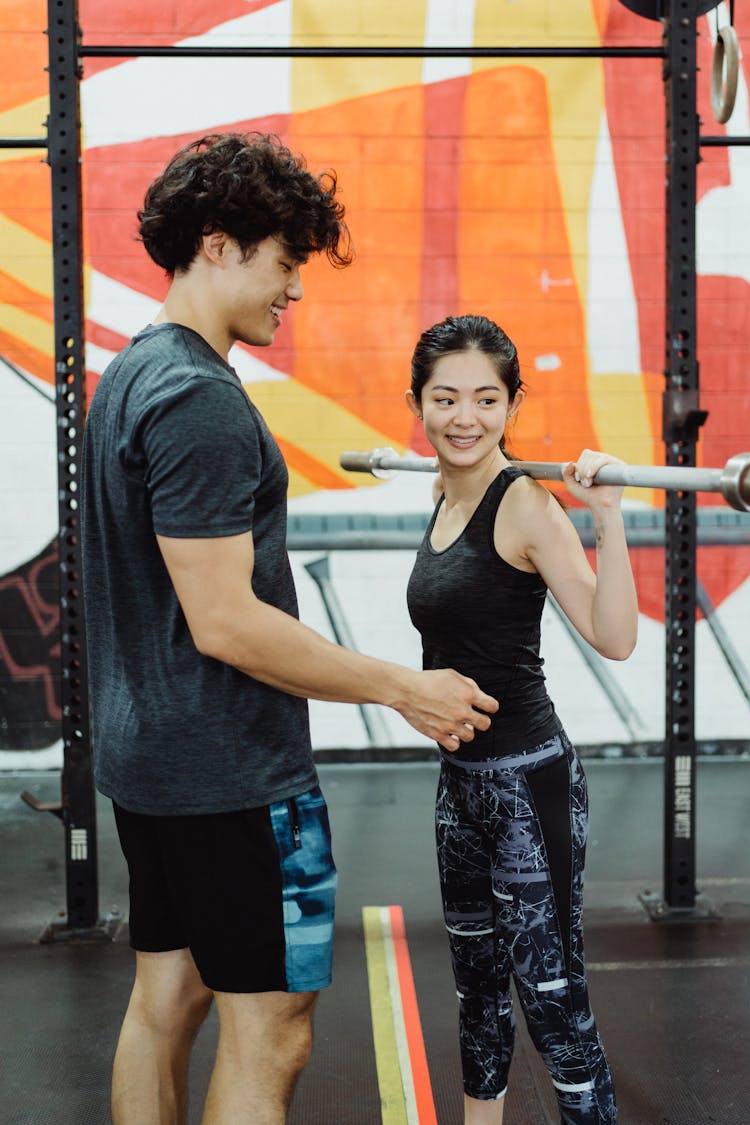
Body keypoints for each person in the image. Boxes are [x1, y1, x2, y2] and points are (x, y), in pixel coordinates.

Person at [80, 135, 498, 1125]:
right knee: (274, 1032)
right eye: (285, 259)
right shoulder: (199, 401)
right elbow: (226, 623)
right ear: (220, 246)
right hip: (230, 778)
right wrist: (407, 687)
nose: (295, 289)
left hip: (152, 764)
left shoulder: (131, 375)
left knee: (165, 1004)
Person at [404, 314, 638, 1124]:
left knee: (552, 1000)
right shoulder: (442, 492)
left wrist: (606, 514)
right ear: (418, 404)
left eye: (484, 399)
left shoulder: (527, 504)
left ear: (510, 404)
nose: (463, 418)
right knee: (476, 992)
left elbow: (615, 638)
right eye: (445, 398)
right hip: (458, 789)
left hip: (525, 790)